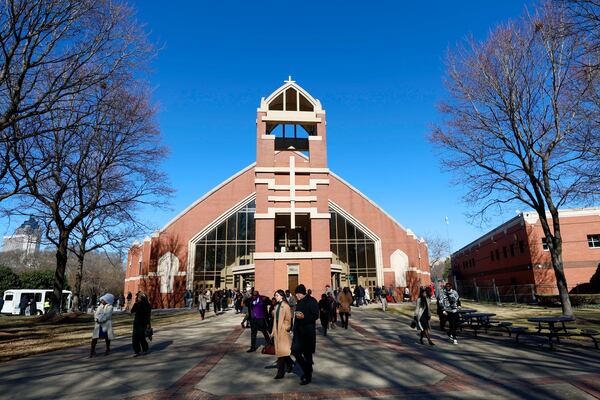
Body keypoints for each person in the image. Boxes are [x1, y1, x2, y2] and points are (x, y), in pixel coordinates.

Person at [291, 284, 319, 385]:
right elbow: (296, 318)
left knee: (307, 355)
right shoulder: (299, 302)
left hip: (308, 333)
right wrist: (294, 329)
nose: (297, 295)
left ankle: (308, 376)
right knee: (295, 351)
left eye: (298, 294)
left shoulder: (312, 301)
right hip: (298, 333)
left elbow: (316, 315)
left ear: (303, 293)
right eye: (296, 294)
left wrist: (305, 317)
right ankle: (307, 370)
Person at [271, 289, 294, 379]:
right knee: (283, 352)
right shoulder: (277, 306)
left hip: (283, 331)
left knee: (281, 353)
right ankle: (290, 363)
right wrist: (273, 331)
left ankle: (280, 373)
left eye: (277, 295)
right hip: (277, 330)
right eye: (275, 295)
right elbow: (275, 319)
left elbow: (288, 319)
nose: (275, 297)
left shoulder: (285, 306)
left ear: (282, 296)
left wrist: (285, 328)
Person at [131, 291, 152, 356]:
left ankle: (144, 349)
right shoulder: (137, 304)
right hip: (137, 323)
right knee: (135, 337)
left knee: (141, 337)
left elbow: (148, 315)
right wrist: (136, 304)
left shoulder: (147, 305)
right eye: (138, 297)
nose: (138, 298)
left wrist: (148, 324)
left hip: (143, 323)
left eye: (139, 297)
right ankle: (137, 351)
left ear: (143, 298)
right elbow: (132, 311)